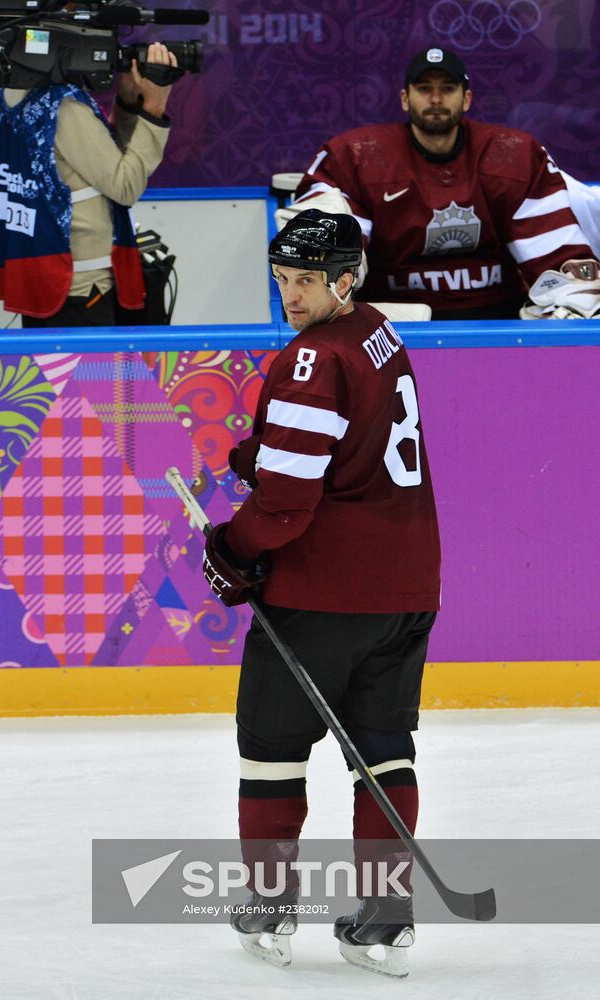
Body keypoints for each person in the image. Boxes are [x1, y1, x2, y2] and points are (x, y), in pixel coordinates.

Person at [201, 209, 441, 976]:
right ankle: (385, 920)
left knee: (271, 748)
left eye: (305, 281)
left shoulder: (311, 358)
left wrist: (231, 551)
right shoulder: (376, 331)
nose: (290, 296)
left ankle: (268, 912)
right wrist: (267, 453)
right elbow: (346, 443)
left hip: (326, 591)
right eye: (281, 280)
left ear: (344, 277)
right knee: (382, 748)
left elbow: (287, 508)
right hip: (407, 587)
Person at [282, 47, 600, 320]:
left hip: (498, 320)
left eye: (448, 88)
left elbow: (558, 263)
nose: (436, 98)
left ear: (466, 99)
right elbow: (330, 251)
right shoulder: (356, 156)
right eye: (424, 88)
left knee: (579, 303)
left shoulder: (513, 155)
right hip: (392, 328)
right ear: (405, 99)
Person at [0, 43, 178, 327]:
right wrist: (154, 105)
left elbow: (101, 163)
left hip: (47, 281)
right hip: (82, 289)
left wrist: (128, 100)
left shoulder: (18, 93)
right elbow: (124, 185)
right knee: (95, 374)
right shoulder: (64, 106)